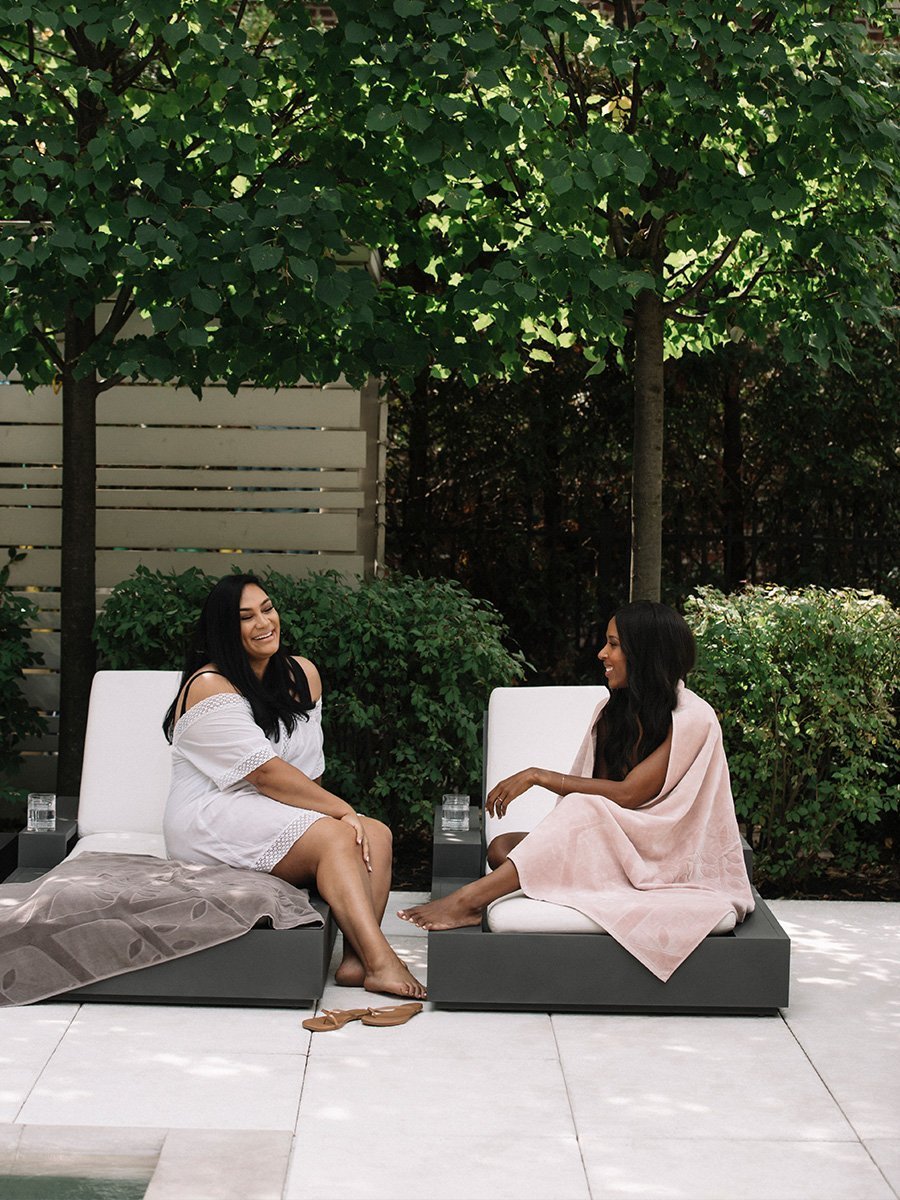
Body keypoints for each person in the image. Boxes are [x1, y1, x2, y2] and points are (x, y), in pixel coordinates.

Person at [398, 601, 753, 982]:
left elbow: (629, 795)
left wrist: (537, 775)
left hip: (665, 851)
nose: (603, 653)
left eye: (614, 645)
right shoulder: (613, 711)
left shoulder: (693, 716)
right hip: (621, 841)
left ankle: (471, 901)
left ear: (646, 653)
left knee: (578, 813)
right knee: (501, 848)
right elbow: (604, 798)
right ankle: (577, 879)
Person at [163, 574, 425, 1000]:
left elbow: (306, 769)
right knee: (340, 831)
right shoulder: (210, 685)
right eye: (245, 617)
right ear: (224, 632)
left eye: (267, 608)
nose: (263, 622)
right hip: (210, 815)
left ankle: (357, 962)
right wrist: (340, 810)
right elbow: (265, 774)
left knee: (376, 834)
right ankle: (382, 959)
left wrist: (334, 814)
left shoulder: (302, 673)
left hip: (269, 807)